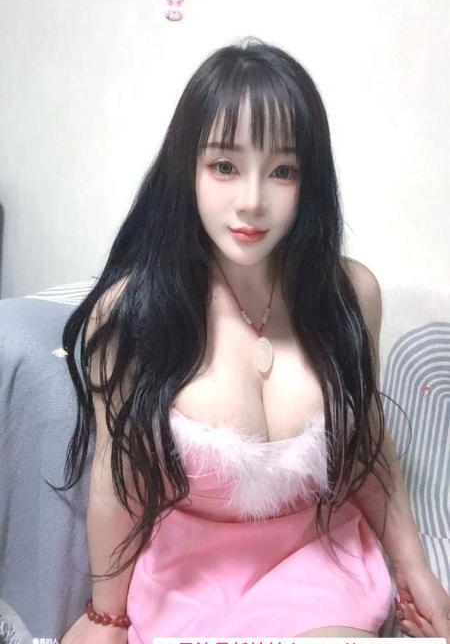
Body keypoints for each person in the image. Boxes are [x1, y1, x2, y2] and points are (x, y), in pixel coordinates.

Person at [56, 37, 450, 643]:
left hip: (319, 562)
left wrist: (415, 570)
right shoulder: (134, 311)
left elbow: (369, 448)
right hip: (190, 577)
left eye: (283, 171)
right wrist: (108, 614)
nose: (251, 201)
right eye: (224, 167)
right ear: (186, 169)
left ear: (310, 180)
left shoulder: (350, 294)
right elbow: (118, 479)